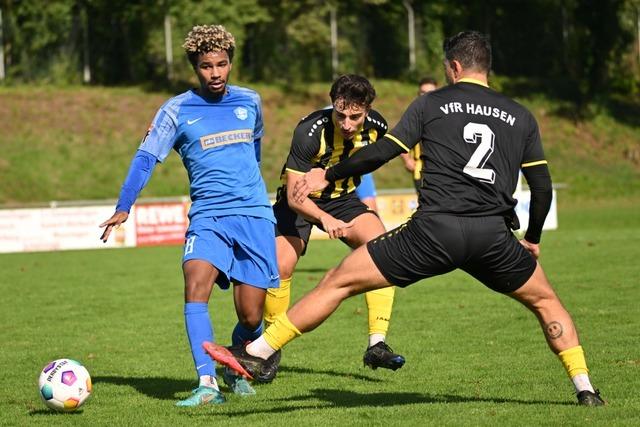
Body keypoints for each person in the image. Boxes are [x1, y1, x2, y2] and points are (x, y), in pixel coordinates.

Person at [205, 31, 605, 407]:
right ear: (487, 68)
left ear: (453, 67)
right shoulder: (520, 115)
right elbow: (542, 188)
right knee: (548, 303)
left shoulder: (432, 104)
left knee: (337, 281)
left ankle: (259, 351)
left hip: (434, 232)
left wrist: (328, 174)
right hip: (493, 237)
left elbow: (382, 153)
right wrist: (532, 238)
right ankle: (585, 388)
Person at [99, 25, 280, 406]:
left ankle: (236, 358)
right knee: (194, 284)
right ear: (194, 68)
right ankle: (207, 385)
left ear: (231, 63)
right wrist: (123, 206)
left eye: (222, 64)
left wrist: (253, 193)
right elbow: (147, 157)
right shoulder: (175, 110)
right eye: (206, 66)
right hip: (208, 216)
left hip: (253, 214)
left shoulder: (251, 101)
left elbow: (256, 150)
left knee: (251, 316)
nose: (215, 73)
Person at [260, 75, 405, 378]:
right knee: (281, 266)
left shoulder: (377, 126)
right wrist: (324, 219)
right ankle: (269, 349)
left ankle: (377, 344)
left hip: (343, 199)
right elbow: (295, 196)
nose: (347, 123)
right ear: (332, 104)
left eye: (355, 116)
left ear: (367, 110)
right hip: (299, 202)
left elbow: (381, 156)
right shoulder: (309, 131)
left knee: (384, 250)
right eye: (341, 115)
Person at [399, 77, 438, 193]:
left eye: (431, 93)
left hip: (442, 170)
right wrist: (407, 160)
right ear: (418, 94)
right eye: (423, 93)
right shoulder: (414, 117)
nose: (426, 96)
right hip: (421, 170)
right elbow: (400, 140)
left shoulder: (445, 115)